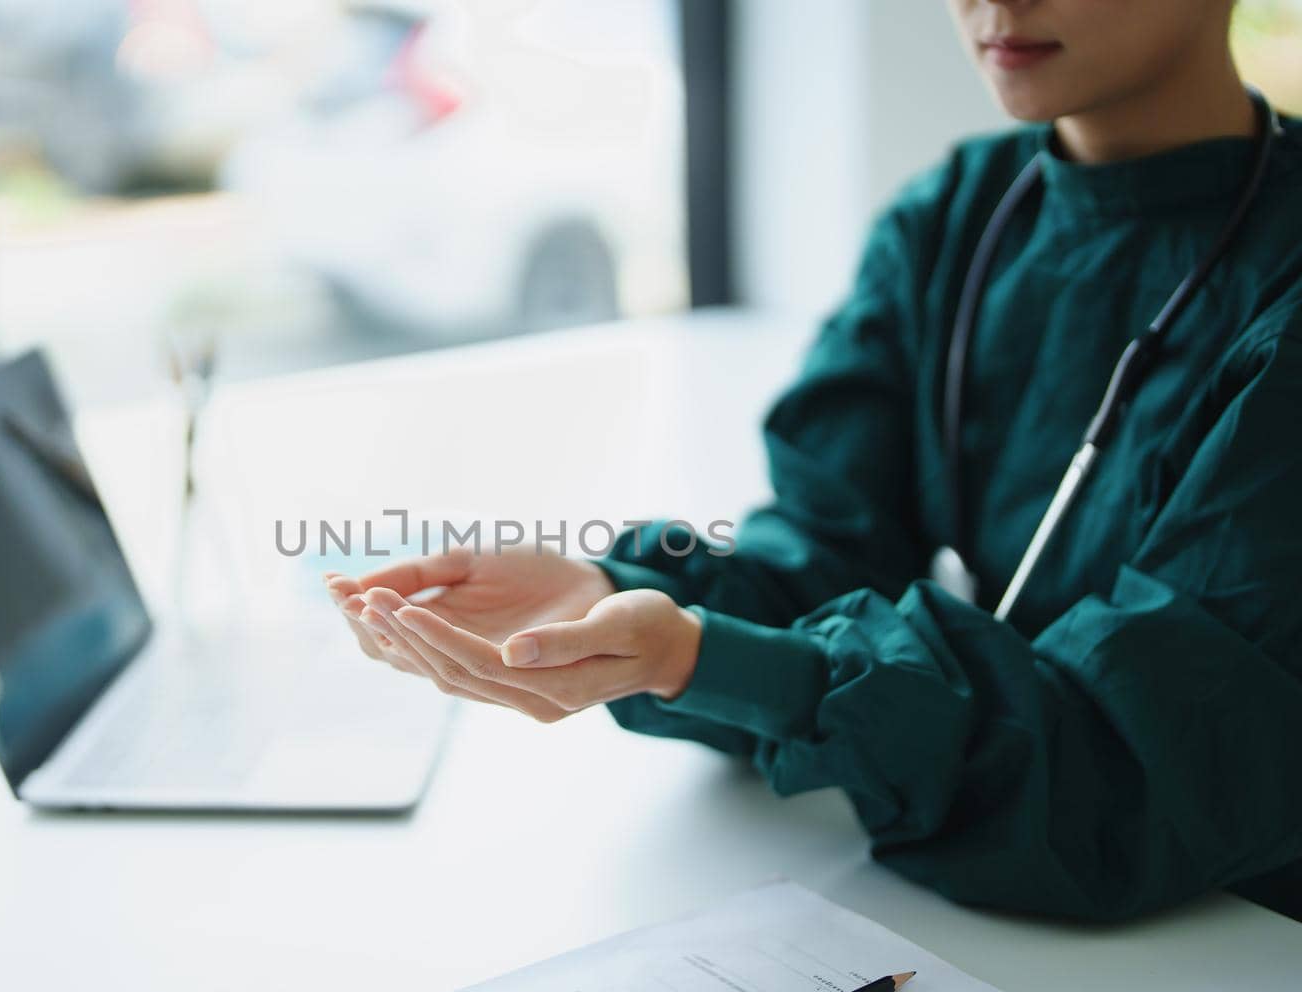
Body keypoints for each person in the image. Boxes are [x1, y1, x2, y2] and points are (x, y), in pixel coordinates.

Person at [324, 0, 1302, 922]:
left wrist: (711, 661)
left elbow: (1133, 768)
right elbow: (827, 554)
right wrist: (612, 598)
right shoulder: (956, 216)